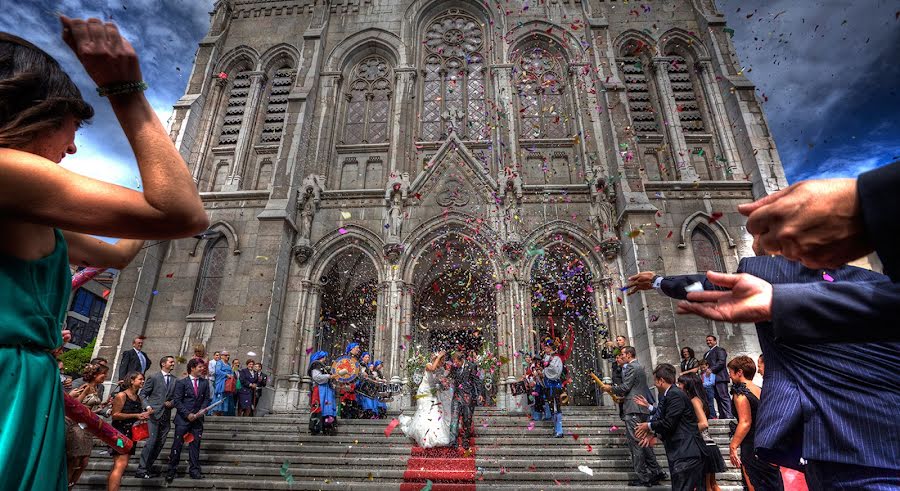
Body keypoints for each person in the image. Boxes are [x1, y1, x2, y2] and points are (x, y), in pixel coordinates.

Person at [0, 19, 207, 490]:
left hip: (27, 387)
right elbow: (180, 213)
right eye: (68, 131)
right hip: (9, 386)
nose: (73, 147)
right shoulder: (6, 170)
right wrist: (124, 89)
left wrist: (165, 188)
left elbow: (119, 256)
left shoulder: (29, 216)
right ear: (33, 117)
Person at [627, 255, 900, 488]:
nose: (756, 241)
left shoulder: (772, 272)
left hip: (839, 444)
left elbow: (709, 284)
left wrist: (658, 282)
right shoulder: (880, 287)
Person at [634, 364, 705, 491]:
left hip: (685, 452)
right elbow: (670, 422)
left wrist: (648, 426)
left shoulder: (674, 394)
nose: (654, 384)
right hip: (680, 452)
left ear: (661, 381)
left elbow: (669, 422)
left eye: (655, 380)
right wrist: (653, 433)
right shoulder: (669, 394)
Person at [601, 346, 665, 487]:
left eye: (623, 354)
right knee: (643, 442)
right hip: (641, 408)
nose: (621, 356)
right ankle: (656, 471)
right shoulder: (639, 367)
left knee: (636, 443)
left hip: (633, 409)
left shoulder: (631, 367)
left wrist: (609, 388)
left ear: (629, 355)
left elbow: (626, 387)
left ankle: (643, 477)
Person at [728, 356, 783, 491]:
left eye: (730, 372)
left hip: (751, 445)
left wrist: (733, 446)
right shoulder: (759, 389)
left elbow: (745, 422)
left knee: (756, 484)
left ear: (739, 372)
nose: (729, 375)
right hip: (767, 443)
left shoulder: (740, 392)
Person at [166, 359, 212, 482]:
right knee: (177, 445)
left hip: (197, 420)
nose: (202, 369)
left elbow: (207, 399)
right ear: (192, 368)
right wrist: (188, 414)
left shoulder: (204, 383)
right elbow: (177, 400)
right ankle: (171, 470)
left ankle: (195, 470)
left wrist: (202, 410)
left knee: (195, 445)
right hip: (182, 420)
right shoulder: (181, 383)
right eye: (200, 367)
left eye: (203, 367)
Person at [678, 372, 725, 491]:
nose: (678, 386)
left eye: (680, 383)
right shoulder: (700, 399)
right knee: (713, 485)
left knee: (705, 487)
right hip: (709, 445)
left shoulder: (694, 401)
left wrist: (686, 430)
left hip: (702, 447)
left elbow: (704, 423)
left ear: (688, 385)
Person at [66, 363, 108, 487]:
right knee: (75, 459)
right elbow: (76, 405)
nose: (105, 376)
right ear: (95, 375)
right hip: (77, 425)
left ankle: (71, 485)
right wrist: (83, 394)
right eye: (103, 374)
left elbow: (89, 408)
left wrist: (102, 407)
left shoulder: (98, 388)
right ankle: (65, 485)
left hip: (87, 426)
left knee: (84, 461)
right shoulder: (86, 386)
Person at [399, 351, 452, 448]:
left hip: (432, 393)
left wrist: (446, 378)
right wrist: (438, 356)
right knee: (425, 412)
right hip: (424, 393)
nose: (443, 361)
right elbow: (432, 369)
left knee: (435, 413)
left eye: (443, 360)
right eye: (442, 360)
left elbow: (442, 379)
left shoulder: (440, 369)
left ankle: (435, 436)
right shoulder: (429, 365)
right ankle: (424, 436)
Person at [135, 355, 176, 479]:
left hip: (166, 415)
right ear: (163, 364)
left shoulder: (175, 380)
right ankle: (141, 469)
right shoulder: (154, 377)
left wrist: (172, 403)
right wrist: (147, 407)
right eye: (171, 362)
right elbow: (143, 394)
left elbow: (176, 397)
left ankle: (148, 468)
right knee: (151, 442)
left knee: (160, 443)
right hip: (153, 415)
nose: (173, 363)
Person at [108, 372, 151, 491]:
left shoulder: (138, 397)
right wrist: (137, 415)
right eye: (140, 379)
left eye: (143, 379)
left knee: (121, 464)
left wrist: (143, 415)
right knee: (121, 464)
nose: (143, 381)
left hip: (131, 433)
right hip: (120, 433)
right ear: (132, 381)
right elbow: (115, 415)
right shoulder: (122, 395)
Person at [448, 350, 483, 449]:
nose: (455, 364)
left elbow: (477, 381)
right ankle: (453, 441)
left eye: (457, 362)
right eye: (454, 362)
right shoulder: (454, 368)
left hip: (468, 396)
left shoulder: (472, 366)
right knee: (454, 418)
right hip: (457, 395)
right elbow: (450, 378)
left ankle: (465, 440)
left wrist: (480, 393)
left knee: (467, 419)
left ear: (461, 360)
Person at [308, 351, 338, 435]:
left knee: (327, 407)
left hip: (326, 389)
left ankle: (327, 427)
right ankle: (316, 427)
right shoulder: (316, 364)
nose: (325, 359)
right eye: (325, 357)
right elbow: (316, 377)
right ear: (322, 357)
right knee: (319, 407)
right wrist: (329, 376)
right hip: (320, 390)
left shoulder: (323, 366)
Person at [703, 335, 731, 419]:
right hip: (711, 379)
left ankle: (729, 415)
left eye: (710, 340)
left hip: (720, 377)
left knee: (723, 396)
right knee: (717, 398)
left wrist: (711, 369)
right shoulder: (706, 354)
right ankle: (722, 415)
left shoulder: (720, 350)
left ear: (715, 341)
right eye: (707, 340)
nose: (708, 342)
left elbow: (721, 362)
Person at [213, 351, 234, 416]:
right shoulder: (219, 363)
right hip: (220, 382)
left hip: (227, 384)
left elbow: (231, 372)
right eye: (225, 355)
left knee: (225, 398)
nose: (227, 357)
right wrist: (226, 374)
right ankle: (215, 413)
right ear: (221, 356)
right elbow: (217, 371)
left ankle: (222, 413)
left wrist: (231, 375)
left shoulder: (229, 364)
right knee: (219, 397)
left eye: (228, 355)